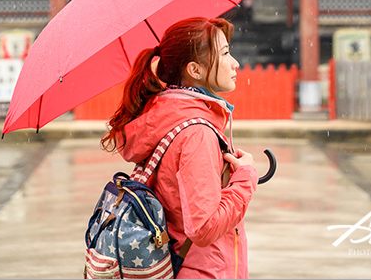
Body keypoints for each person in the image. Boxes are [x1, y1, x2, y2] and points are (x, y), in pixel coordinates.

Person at [101, 16, 258, 279]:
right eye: (226, 53)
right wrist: (245, 178)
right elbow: (204, 228)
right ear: (195, 70)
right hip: (204, 271)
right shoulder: (196, 133)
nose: (235, 63)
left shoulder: (164, 116)